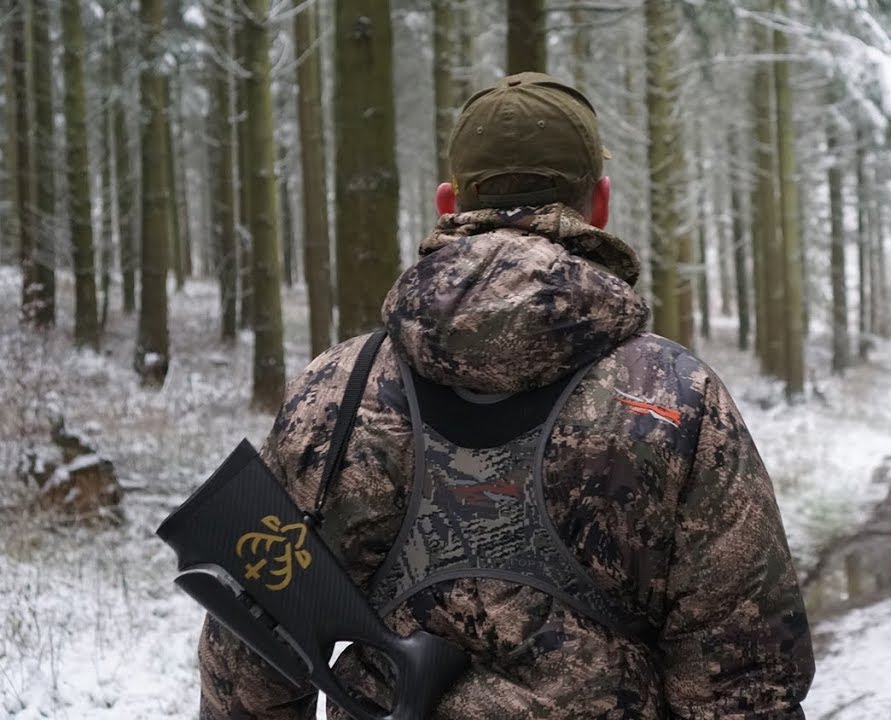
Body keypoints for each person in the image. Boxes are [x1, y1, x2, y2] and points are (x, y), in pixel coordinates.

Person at [198, 72, 814, 719]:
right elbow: (745, 684)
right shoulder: (676, 402)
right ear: (599, 203)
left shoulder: (335, 393)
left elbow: (248, 663)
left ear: (448, 201)